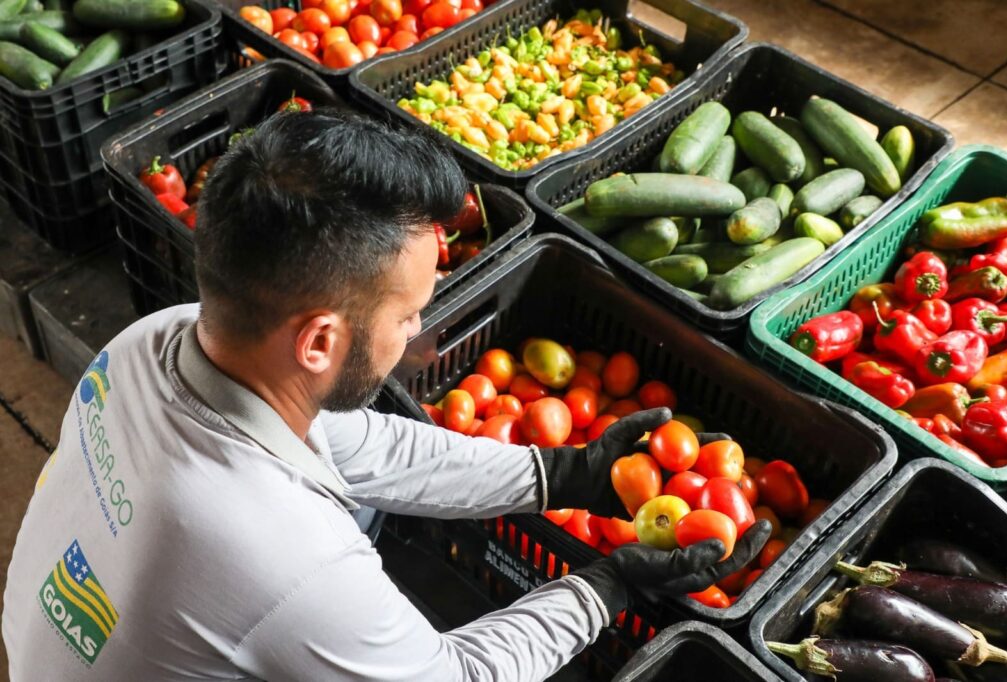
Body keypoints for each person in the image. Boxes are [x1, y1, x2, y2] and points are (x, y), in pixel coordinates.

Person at [2, 111, 768, 681]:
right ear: (319, 342)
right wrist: (611, 586)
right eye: (407, 316)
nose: (418, 330)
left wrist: (561, 476)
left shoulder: (161, 339)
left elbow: (366, 444)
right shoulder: (288, 560)